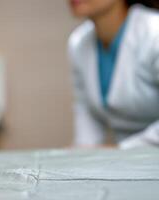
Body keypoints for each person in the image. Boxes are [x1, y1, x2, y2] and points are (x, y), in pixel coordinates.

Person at [68, 0, 159, 149]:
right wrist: (80, 156)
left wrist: (120, 150)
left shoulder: (154, 32)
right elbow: (87, 130)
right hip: (127, 164)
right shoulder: (78, 43)